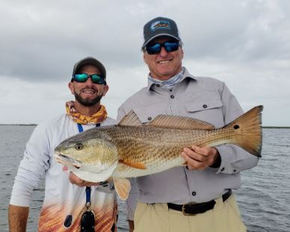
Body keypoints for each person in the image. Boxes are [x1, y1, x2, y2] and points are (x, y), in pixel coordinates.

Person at [117, 17, 260, 232]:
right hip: (155, 220)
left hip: (221, 217)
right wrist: (132, 219)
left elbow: (251, 155)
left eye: (171, 45)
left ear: (181, 50)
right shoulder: (129, 108)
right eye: (154, 47)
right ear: (145, 55)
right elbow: (128, 176)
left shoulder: (217, 89)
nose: (163, 53)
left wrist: (216, 158)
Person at [9, 57, 118, 232]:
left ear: (105, 89)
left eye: (97, 79)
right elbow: (23, 185)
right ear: (71, 86)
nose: (89, 83)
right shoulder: (48, 129)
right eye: (82, 77)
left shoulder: (117, 129)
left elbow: (130, 186)